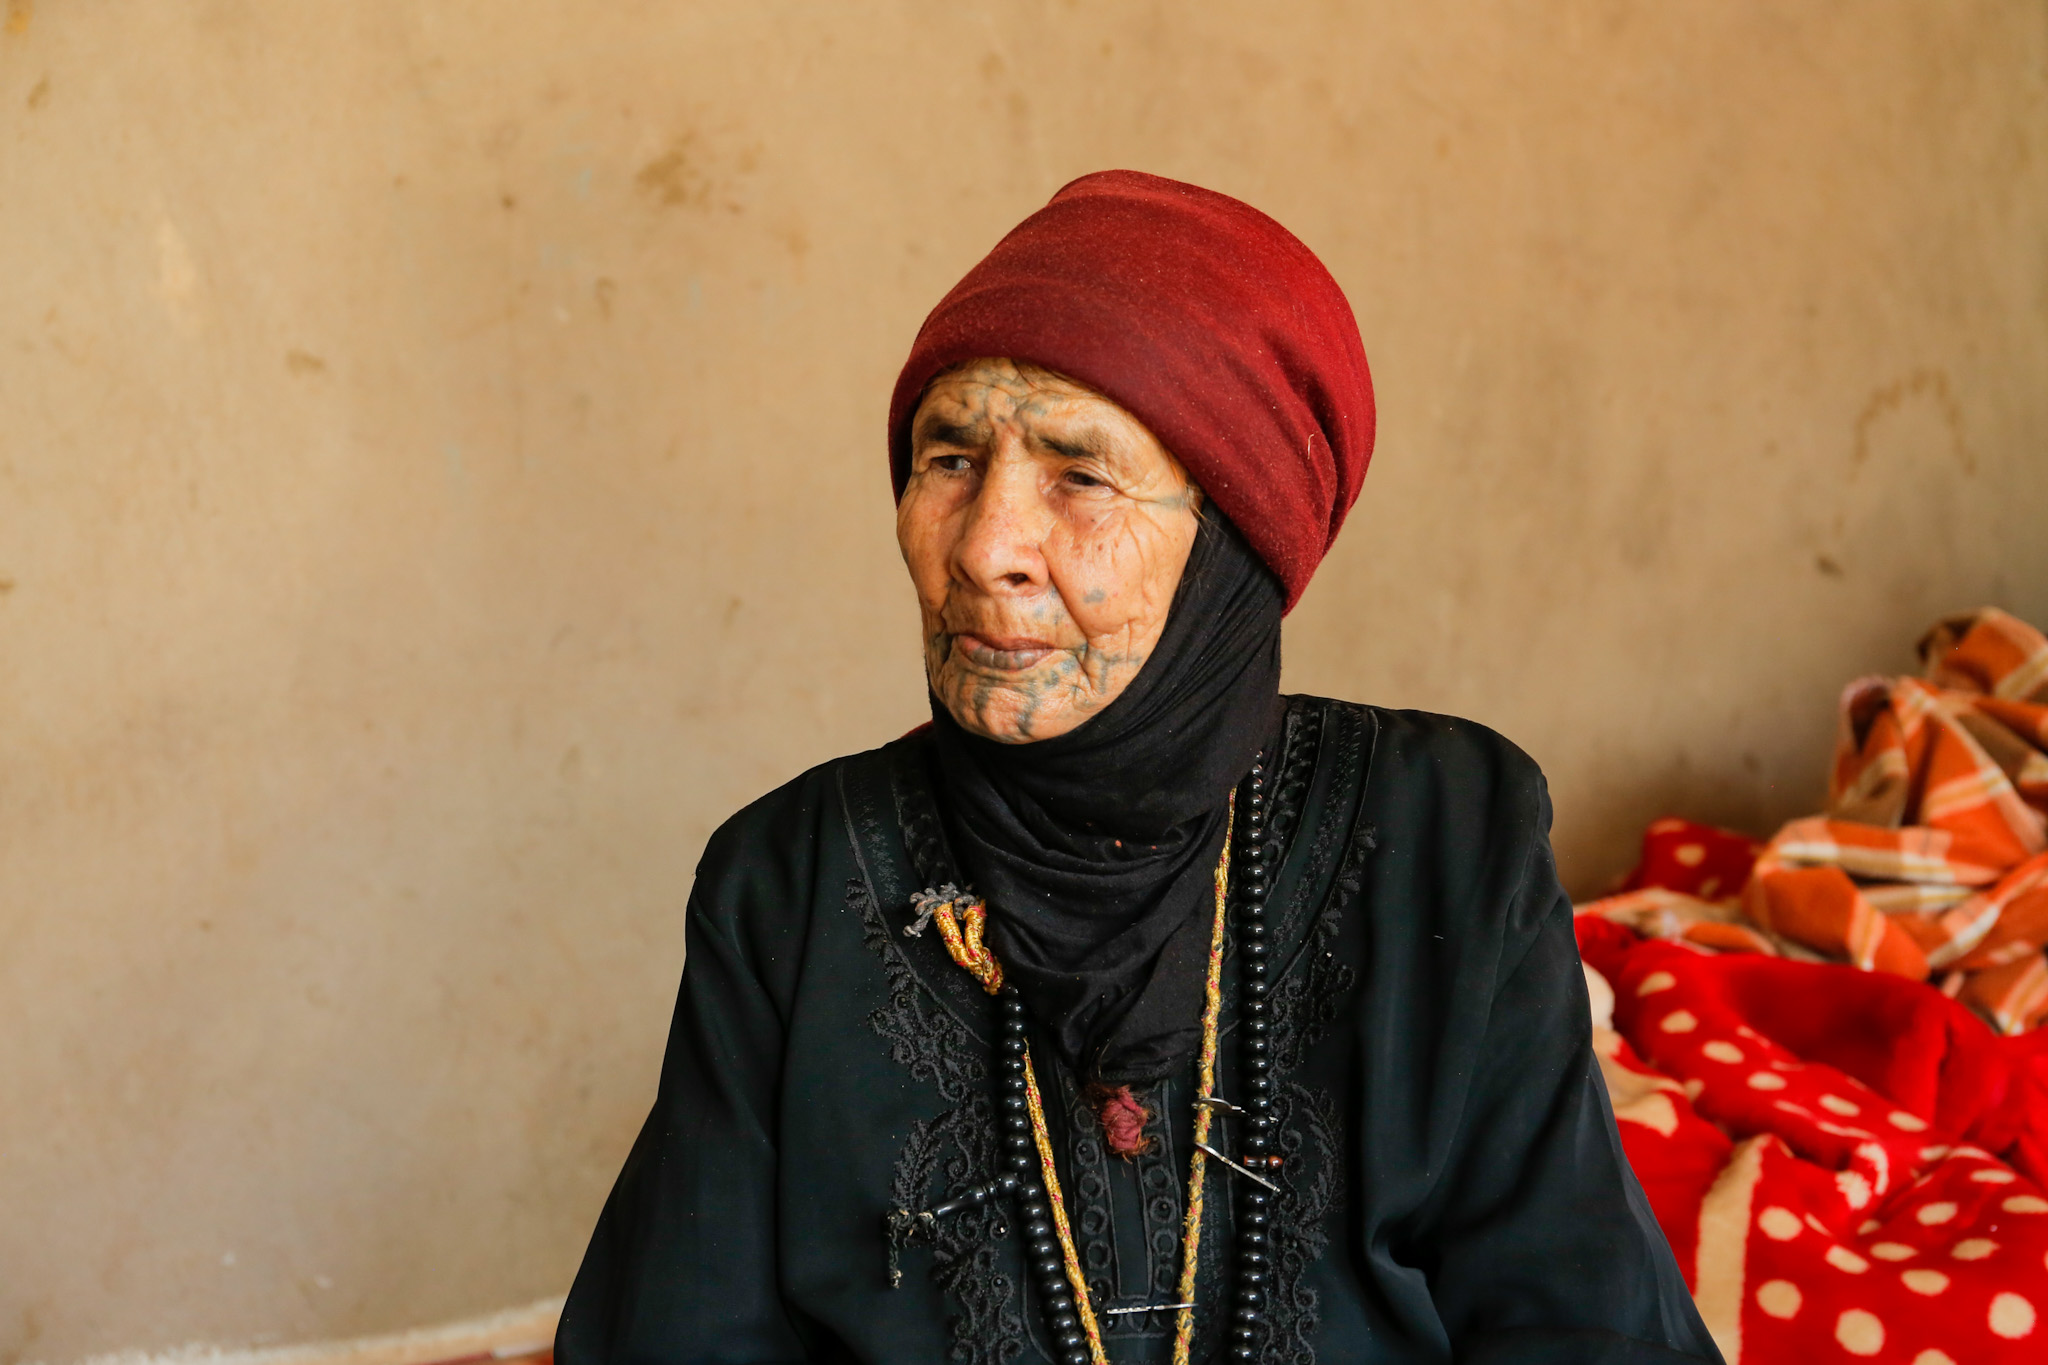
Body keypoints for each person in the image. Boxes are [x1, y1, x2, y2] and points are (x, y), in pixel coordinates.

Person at [557, 171, 1720, 1365]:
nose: (985, 548)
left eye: (1079, 475)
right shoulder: (787, 883)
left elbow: (1582, 1324)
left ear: (1231, 538)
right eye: (949, 458)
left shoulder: (1443, 835)